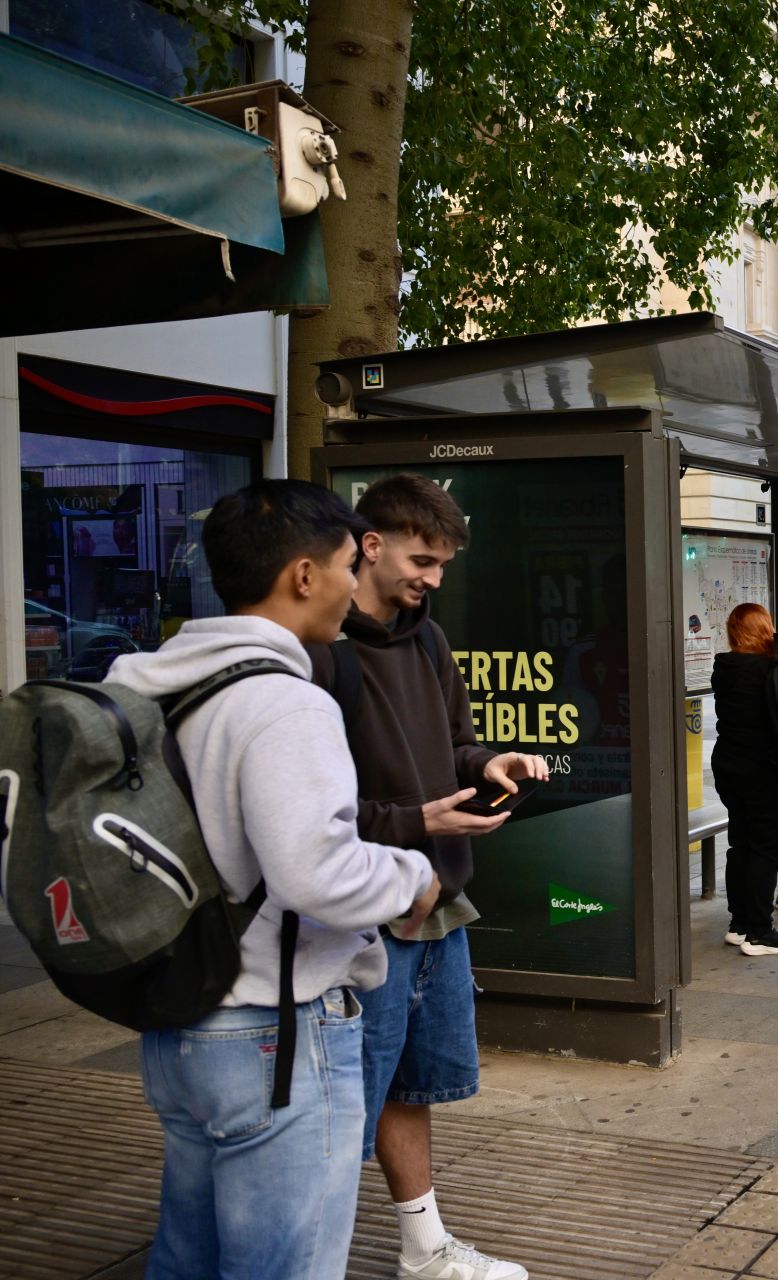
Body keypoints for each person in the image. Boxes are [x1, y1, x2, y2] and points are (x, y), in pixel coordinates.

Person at [107, 480, 439, 1280]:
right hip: (273, 1029)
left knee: (187, 1255)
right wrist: (412, 875)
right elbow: (314, 870)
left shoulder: (149, 683)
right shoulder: (283, 702)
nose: (350, 587)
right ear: (301, 576)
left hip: (178, 1020)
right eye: (342, 567)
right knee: (283, 1264)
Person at [306, 474, 544, 1280]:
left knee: (411, 1088)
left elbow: (455, 748)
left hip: (437, 903)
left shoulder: (428, 640)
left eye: (442, 565)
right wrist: (422, 822)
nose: (434, 579)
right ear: (368, 545)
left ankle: (424, 1250)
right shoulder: (320, 655)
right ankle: (311, 1261)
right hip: (363, 916)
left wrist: (491, 763)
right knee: (345, 1104)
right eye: (422, 560)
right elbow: (311, 822)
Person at [712, 604, 778, 956]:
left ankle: (740, 923)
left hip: (730, 766)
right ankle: (760, 932)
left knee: (742, 843)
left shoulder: (726, 667)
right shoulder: (768, 669)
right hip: (764, 768)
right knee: (768, 846)